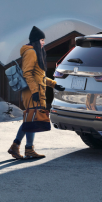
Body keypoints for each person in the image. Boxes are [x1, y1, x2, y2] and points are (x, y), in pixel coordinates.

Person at [9, 26, 62, 159]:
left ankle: (19, 147)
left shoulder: (35, 52)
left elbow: (40, 77)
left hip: (35, 92)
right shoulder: (31, 53)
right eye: (41, 40)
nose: (43, 43)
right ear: (35, 40)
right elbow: (27, 74)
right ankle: (25, 148)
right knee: (30, 121)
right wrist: (34, 92)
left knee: (29, 121)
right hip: (33, 93)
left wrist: (55, 84)